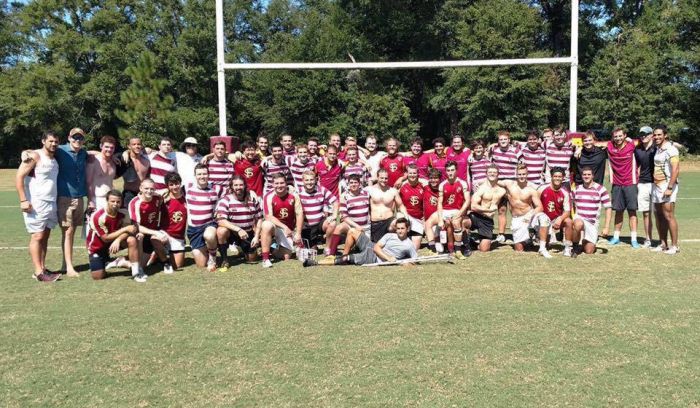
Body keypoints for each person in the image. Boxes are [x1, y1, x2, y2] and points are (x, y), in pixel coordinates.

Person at [16, 131, 61, 282]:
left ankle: (42, 267)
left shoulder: (55, 157)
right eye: (50, 141)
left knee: (45, 236)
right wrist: (23, 200)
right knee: (37, 236)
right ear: (43, 141)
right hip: (36, 203)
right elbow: (19, 177)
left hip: (50, 202)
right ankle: (38, 272)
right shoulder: (34, 155)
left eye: (56, 141)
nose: (53, 144)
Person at [304, 218, 417, 267]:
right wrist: (389, 258)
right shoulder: (389, 235)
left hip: (371, 258)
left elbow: (415, 260)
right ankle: (344, 254)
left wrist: (405, 263)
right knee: (353, 231)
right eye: (398, 228)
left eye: (402, 229)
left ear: (407, 229)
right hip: (371, 247)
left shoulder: (409, 245)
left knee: (345, 260)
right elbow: (377, 248)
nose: (400, 231)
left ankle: (316, 263)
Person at [86, 190, 142, 281]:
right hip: (98, 247)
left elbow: (130, 230)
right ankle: (116, 262)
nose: (115, 204)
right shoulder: (98, 216)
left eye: (118, 202)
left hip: (115, 243)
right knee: (97, 276)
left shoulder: (124, 212)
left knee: (132, 239)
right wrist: (124, 229)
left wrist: (118, 240)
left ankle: (136, 272)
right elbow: (105, 238)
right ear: (107, 201)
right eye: (112, 201)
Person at [55, 127, 88, 277]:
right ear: (69, 138)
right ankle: (69, 267)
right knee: (68, 232)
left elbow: (94, 153)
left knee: (72, 232)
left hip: (79, 198)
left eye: (80, 138)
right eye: (75, 137)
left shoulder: (83, 153)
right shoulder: (60, 150)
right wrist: (27, 152)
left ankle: (65, 263)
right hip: (64, 197)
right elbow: (42, 151)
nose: (77, 140)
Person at [496, 164, 547, 256]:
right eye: (519, 174)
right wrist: (479, 184)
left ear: (527, 174)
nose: (521, 176)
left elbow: (540, 207)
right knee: (519, 249)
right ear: (516, 174)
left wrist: (529, 215)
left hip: (529, 216)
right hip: (517, 218)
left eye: (524, 174)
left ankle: (539, 239)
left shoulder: (532, 188)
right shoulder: (509, 184)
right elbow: (493, 180)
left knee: (543, 218)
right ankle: (528, 239)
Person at [216, 175, 263, 270]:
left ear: (245, 185)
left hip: (247, 233)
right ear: (231, 186)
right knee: (221, 231)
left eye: (241, 185)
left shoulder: (252, 199)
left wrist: (257, 236)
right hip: (231, 233)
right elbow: (221, 221)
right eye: (236, 185)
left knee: (252, 260)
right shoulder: (226, 200)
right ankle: (225, 259)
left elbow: (259, 219)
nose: (238, 187)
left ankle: (243, 249)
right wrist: (238, 230)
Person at [128, 179, 171, 277]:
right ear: (140, 188)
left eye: (152, 189)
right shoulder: (135, 203)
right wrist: (155, 232)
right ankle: (130, 265)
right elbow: (136, 226)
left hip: (152, 232)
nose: (149, 191)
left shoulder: (157, 198)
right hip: (140, 232)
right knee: (140, 236)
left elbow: (165, 194)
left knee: (156, 239)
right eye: (146, 188)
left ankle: (164, 261)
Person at [260, 173, 304, 268]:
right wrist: (284, 227)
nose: (279, 186)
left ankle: (272, 246)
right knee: (266, 225)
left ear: (286, 183)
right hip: (275, 227)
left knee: (287, 256)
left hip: (289, 229)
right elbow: (269, 216)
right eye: (276, 183)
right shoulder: (268, 196)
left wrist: (298, 233)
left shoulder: (294, 195)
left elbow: (299, 214)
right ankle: (265, 258)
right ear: (273, 184)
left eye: (282, 183)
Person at [185, 164, 223, 271]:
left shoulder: (216, 188)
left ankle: (213, 257)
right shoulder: (187, 187)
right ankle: (209, 248)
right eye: (199, 174)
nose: (202, 176)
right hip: (194, 229)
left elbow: (231, 193)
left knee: (209, 236)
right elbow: (172, 191)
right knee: (201, 264)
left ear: (209, 175)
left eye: (205, 174)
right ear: (195, 176)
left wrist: (250, 192)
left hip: (209, 225)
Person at [605, 127, 639, 248]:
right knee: (618, 211)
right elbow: (596, 143)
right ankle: (616, 237)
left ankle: (634, 239)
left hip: (631, 183)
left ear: (625, 135)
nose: (618, 138)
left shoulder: (632, 145)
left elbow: (646, 141)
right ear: (612, 137)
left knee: (632, 211)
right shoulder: (609, 146)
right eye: (616, 136)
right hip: (616, 184)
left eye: (620, 136)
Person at [651, 125, 680, 255]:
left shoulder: (671, 149)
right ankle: (663, 244)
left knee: (668, 215)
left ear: (665, 135)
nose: (656, 137)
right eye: (655, 135)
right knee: (658, 215)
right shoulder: (658, 148)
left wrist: (669, 187)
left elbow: (676, 169)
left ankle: (674, 246)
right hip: (656, 186)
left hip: (667, 185)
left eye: (659, 135)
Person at [326, 174, 370, 256]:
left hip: (366, 227)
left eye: (355, 182)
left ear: (359, 184)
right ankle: (331, 254)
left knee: (365, 250)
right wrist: (356, 226)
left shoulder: (366, 194)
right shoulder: (344, 196)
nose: (353, 184)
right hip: (352, 225)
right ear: (348, 184)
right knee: (339, 227)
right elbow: (345, 217)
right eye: (351, 183)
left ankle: (353, 247)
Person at [571, 167, 612, 255]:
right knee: (578, 224)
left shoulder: (601, 189)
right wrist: (573, 219)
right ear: (581, 176)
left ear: (593, 176)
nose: (586, 176)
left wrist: (606, 227)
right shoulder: (576, 189)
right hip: (580, 219)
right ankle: (575, 248)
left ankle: (583, 241)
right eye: (584, 174)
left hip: (592, 222)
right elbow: (570, 204)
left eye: (589, 174)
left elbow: (608, 208)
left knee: (589, 251)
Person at [434, 161, 471, 258]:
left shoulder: (462, 183)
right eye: (448, 170)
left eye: (452, 170)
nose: (450, 172)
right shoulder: (442, 185)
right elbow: (440, 203)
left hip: (457, 210)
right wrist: (440, 218)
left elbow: (467, 201)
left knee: (455, 223)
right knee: (433, 222)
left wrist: (459, 213)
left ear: (456, 171)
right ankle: (438, 245)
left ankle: (458, 250)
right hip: (445, 211)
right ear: (445, 172)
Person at [489, 131, 520, 243]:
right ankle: (501, 234)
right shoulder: (494, 151)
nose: (503, 141)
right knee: (501, 210)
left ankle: (517, 233)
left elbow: (521, 165)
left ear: (509, 140)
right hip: (500, 184)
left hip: (513, 184)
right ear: (498, 141)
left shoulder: (516, 150)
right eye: (501, 140)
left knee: (515, 210)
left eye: (505, 139)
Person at [297, 170, 338, 253]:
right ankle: (315, 242)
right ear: (303, 181)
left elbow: (335, 201)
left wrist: (334, 215)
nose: (309, 182)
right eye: (307, 180)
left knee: (332, 223)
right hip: (306, 226)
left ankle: (327, 248)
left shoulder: (322, 189)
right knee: (312, 250)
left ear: (315, 180)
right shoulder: (298, 192)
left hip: (320, 223)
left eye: (311, 180)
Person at [468, 164, 507, 252]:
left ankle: (473, 243)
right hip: (476, 216)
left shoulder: (502, 190)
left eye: (494, 172)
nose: (492, 174)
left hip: (487, 221)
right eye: (490, 172)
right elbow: (473, 206)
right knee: (464, 222)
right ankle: (465, 240)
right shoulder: (481, 189)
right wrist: (488, 210)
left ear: (498, 175)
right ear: (486, 174)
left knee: (484, 249)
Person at [538, 167, 574, 256]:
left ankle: (567, 248)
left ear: (563, 178)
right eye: (555, 176)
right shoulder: (542, 188)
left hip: (556, 219)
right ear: (551, 177)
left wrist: (560, 219)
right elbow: (535, 205)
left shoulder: (565, 192)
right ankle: (542, 248)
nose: (557, 178)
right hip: (542, 219)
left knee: (569, 221)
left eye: (559, 176)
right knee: (546, 244)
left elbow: (567, 211)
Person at [367, 168, 408, 243]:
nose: (384, 180)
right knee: (378, 245)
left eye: (386, 178)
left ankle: (402, 242)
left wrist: (406, 217)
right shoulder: (370, 190)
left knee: (399, 219)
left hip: (389, 221)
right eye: (381, 178)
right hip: (376, 222)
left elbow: (401, 205)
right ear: (377, 177)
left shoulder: (393, 191)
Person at [160, 172, 188, 269]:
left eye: (176, 184)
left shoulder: (186, 197)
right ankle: (158, 254)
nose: (174, 187)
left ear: (180, 183)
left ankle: (163, 256)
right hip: (165, 234)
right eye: (171, 185)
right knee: (158, 240)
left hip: (178, 236)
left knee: (178, 265)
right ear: (167, 186)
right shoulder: (163, 198)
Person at [634, 126, 656, 248]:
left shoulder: (657, 148)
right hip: (642, 184)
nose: (644, 136)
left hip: (657, 184)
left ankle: (663, 240)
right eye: (642, 134)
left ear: (651, 135)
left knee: (660, 214)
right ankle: (648, 239)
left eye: (646, 134)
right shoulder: (638, 149)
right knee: (646, 214)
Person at [86, 135, 118, 212]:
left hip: (110, 199)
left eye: (112, 147)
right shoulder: (94, 160)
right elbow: (88, 183)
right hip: (96, 199)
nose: (109, 149)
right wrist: (90, 201)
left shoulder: (114, 162)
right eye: (106, 147)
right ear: (101, 146)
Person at [398, 164, 426, 250]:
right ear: (407, 174)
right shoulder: (402, 185)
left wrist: (425, 218)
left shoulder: (424, 185)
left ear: (418, 174)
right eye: (410, 173)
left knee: (414, 248)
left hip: (419, 218)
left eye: (414, 173)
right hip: (406, 216)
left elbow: (427, 203)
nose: (412, 175)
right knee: (398, 218)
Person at [119, 137, 151, 207]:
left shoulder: (146, 161)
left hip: (143, 193)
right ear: (129, 146)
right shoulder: (125, 160)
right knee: (128, 216)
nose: (136, 146)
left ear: (142, 146)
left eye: (138, 144)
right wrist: (126, 152)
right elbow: (113, 155)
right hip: (128, 193)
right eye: (134, 144)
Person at [423, 169, 444, 253]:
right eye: (431, 178)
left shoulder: (442, 188)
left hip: (439, 218)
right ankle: (432, 247)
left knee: (441, 247)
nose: (433, 180)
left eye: (435, 178)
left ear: (439, 179)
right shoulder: (425, 188)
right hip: (427, 220)